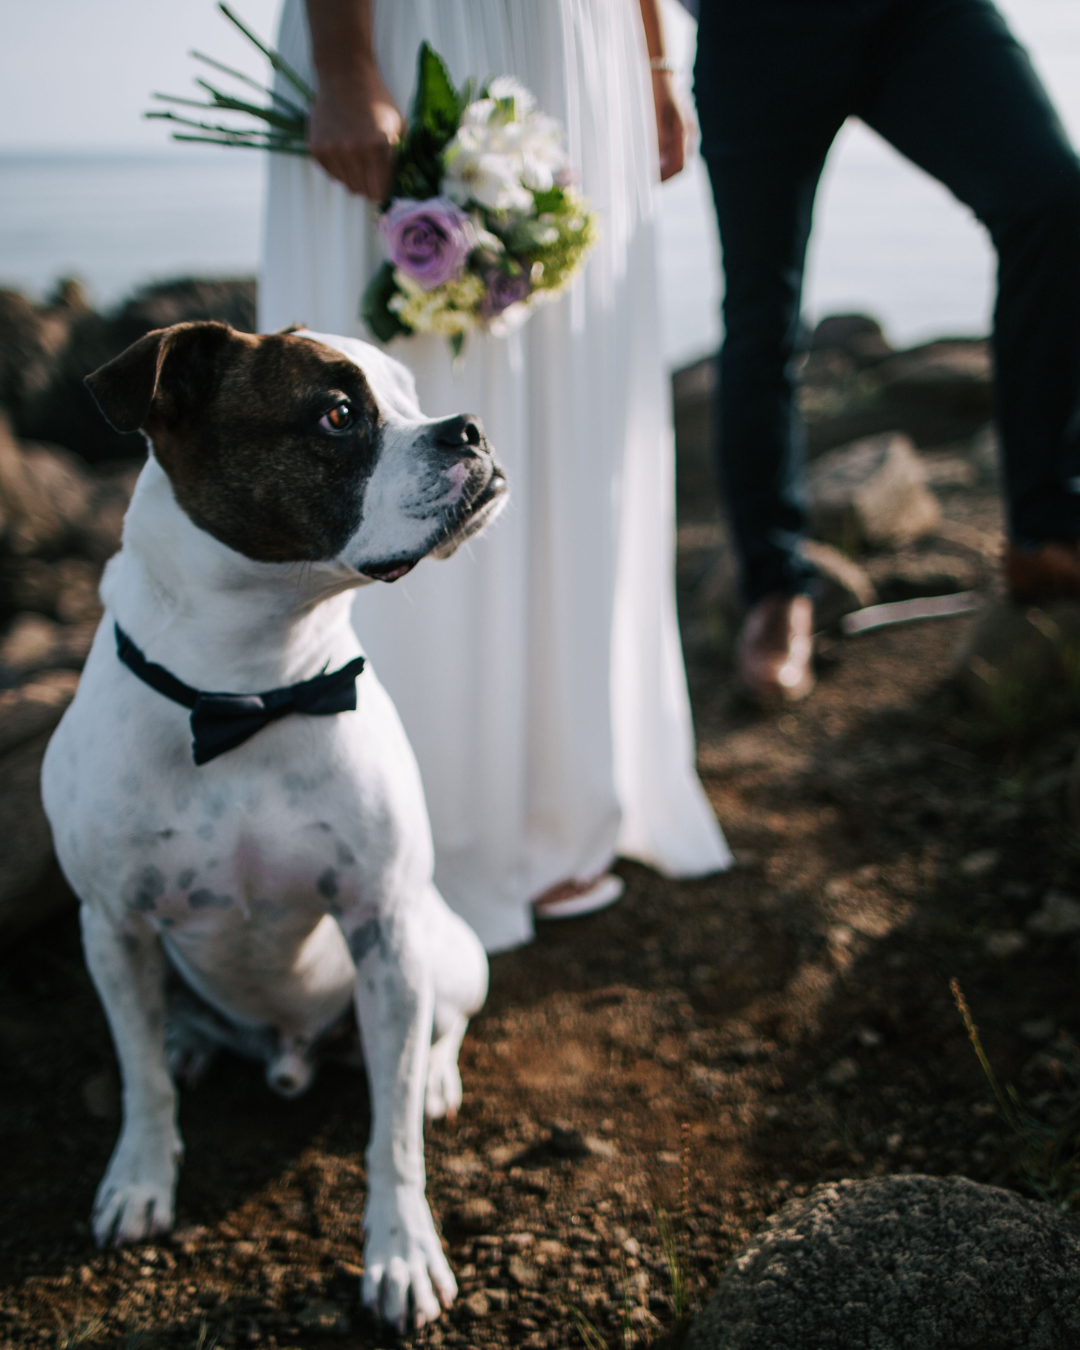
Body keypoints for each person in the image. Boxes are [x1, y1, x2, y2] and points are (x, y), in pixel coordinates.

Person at [259, 0, 731, 954]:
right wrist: (345, 66)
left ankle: (563, 798)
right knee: (402, 400)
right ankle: (404, 814)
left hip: (577, 44)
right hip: (419, 28)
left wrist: (654, 63)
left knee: (575, 414)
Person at [693, 0, 1080, 704]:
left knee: (1052, 200)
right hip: (757, 29)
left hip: (915, 16)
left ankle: (1046, 531)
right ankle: (775, 590)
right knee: (762, 315)